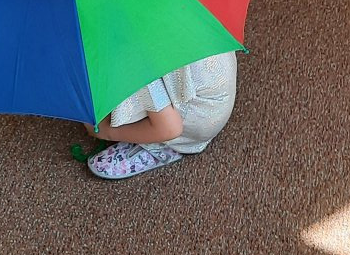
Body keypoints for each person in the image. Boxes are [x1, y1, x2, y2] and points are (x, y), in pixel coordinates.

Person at [76, 51, 237, 179]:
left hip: (192, 124)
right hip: (215, 103)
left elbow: (170, 129)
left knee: (113, 83)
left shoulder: (139, 57)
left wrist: (106, 132)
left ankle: (163, 147)